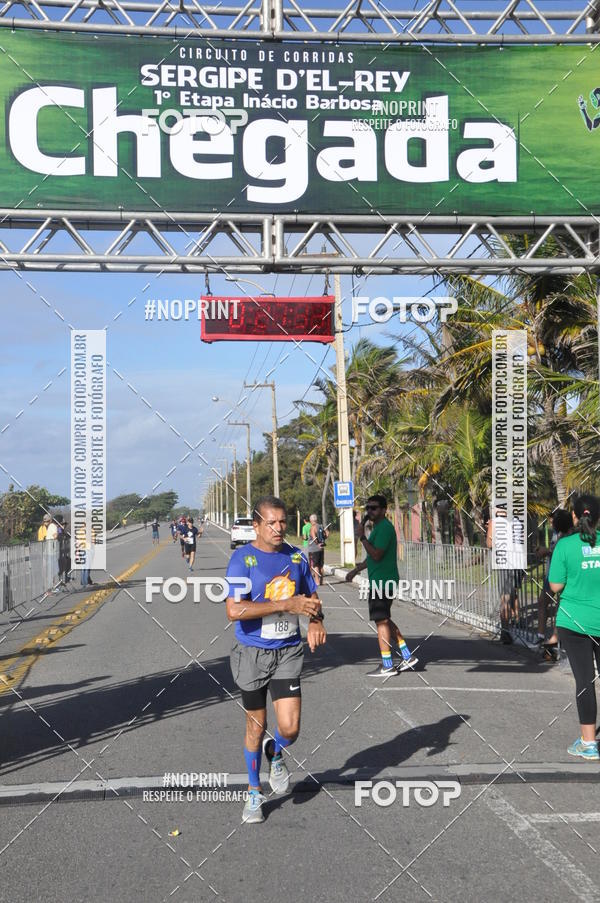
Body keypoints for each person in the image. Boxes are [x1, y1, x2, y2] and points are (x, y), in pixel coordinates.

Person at [225, 495, 326, 824]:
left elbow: (311, 597)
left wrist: (315, 620)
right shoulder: (242, 560)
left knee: (290, 728)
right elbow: (234, 610)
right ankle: (254, 793)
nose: (279, 528)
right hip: (252, 653)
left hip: (287, 651)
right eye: (272, 522)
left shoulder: (296, 557)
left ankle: (276, 750)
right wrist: (285, 605)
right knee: (256, 726)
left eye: (283, 521)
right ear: (256, 525)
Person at [549, 494, 600, 761]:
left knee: (585, 680)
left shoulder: (565, 545)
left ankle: (589, 742)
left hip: (574, 621)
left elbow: (555, 586)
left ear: (575, 517)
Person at [345, 494, 418, 676]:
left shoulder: (384, 528)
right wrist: (356, 570)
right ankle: (407, 656)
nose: (370, 511)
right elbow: (372, 558)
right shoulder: (377, 529)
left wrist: (362, 538)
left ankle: (387, 664)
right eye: (368, 508)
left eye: (374, 508)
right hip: (381, 581)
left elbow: (376, 554)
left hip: (383, 582)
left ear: (384, 510)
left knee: (381, 622)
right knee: (383, 619)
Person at [535, 508, 572, 653]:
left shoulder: (567, 534)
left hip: (559, 576)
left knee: (558, 606)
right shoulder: (556, 533)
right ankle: (541, 635)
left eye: (552, 519)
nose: (550, 522)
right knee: (543, 602)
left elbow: (559, 550)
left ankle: (556, 640)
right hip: (551, 574)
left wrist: (546, 551)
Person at [486, 507, 524, 644]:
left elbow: (489, 543)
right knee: (514, 592)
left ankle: (505, 631)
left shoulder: (495, 522)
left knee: (505, 597)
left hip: (504, 562)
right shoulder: (518, 521)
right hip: (519, 560)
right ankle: (518, 620)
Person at [307, 514, 328, 586]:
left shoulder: (312, 527)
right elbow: (327, 534)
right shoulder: (321, 526)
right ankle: (321, 580)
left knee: (315, 565)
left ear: (311, 520)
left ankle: (317, 581)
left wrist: (317, 543)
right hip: (321, 549)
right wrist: (322, 542)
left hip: (313, 549)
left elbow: (313, 537)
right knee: (321, 565)